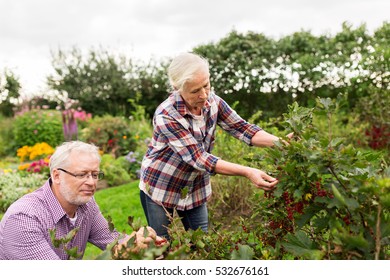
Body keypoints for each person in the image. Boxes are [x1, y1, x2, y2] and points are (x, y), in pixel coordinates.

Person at [139, 52, 293, 239]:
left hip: (195, 187)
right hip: (161, 186)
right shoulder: (166, 115)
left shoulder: (213, 102)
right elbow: (199, 158)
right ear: (176, 88)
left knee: (202, 246)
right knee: (161, 248)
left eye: (206, 85)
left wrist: (281, 143)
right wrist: (248, 171)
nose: (204, 95)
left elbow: (243, 128)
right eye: (195, 91)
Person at [0, 141, 122, 260]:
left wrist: (135, 242)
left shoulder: (86, 204)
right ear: (57, 176)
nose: (91, 182)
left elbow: (113, 241)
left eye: (95, 175)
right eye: (81, 174)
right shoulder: (24, 219)